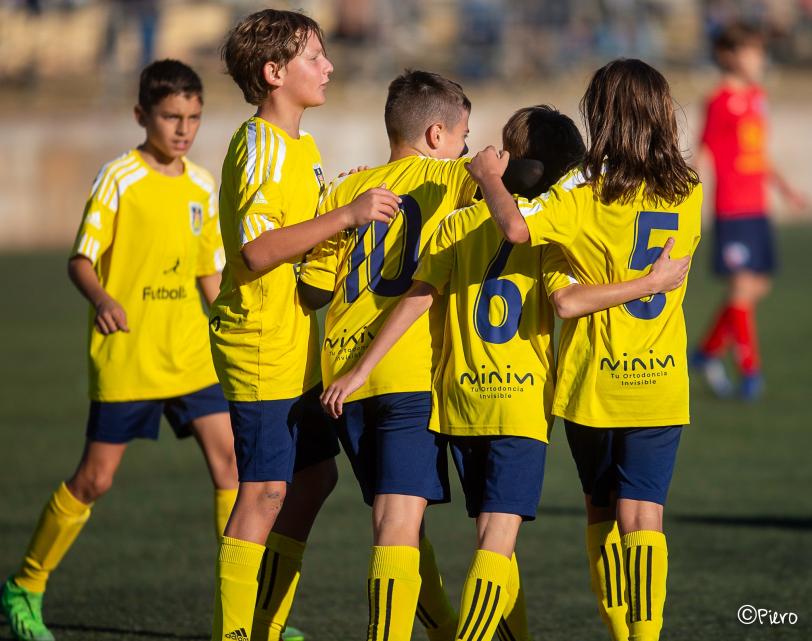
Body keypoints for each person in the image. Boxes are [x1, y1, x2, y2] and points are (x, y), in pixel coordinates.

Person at [322, 101, 690, 641]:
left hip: (460, 404)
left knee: (483, 538)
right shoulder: (552, 236)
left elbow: (420, 298)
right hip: (520, 406)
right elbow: (569, 296)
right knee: (497, 543)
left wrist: (360, 369)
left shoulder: (458, 222)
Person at [465, 59, 702, 641]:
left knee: (601, 512)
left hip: (593, 383)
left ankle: (621, 631)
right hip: (662, 380)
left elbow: (519, 231)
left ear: (600, 117)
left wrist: (491, 177)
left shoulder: (582, 199)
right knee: (644, 517)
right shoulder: (691, 192)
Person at [1, 59, 238, 641]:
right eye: (170, 116)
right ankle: (25, 586)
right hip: (128, 355)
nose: (183, 129)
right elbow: (80, 260)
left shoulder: (205, 186)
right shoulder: (117, 178)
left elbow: (211, 277)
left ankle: (246, 615)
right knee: (95, 480)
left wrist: (236, 319)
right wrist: (103, 299)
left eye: (193, 117)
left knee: (232, 467)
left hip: (190, 355)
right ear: (142, 115)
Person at [207, 10, 401, 641]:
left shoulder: (304, 148)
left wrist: (337, 220)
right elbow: (258, 251)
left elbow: (305, 263)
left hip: (297, 344)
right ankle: (235, 632)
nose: (329, 66)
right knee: (263, 492)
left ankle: (266, 623)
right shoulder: (259, 143)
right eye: (315, 56)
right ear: (274, 72)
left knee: (314, 477)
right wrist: (343, 216)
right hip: (259, 344)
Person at [298, 69, 476, 641]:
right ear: (435, 135)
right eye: (463, 136)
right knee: (397, 525)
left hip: (341, 377)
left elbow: (314, 290)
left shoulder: (348, 191)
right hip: (405, 369)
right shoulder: (452, 180)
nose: (467, 148)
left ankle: (445, 629)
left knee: (399, 523)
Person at [692, 22, 807, 400]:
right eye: (751, 51)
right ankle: (750, 373)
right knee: (742, 286)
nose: (760, 58)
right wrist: (685, 195)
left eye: (760, 51)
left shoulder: (758, 96)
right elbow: (703, 151)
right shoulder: (718, 101)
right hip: (732, 208)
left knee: (759, 284)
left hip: (757, 206)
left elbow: (759, 153)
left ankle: (707, 351)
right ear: (728, 56)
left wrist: (786, 189)